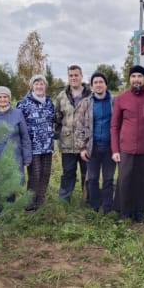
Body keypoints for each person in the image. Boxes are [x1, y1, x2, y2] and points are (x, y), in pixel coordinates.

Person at [111, 65, 144, 223]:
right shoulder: (121, 98)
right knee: (125, 180)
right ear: (129, 79)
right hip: (125, 147)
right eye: (133, 77)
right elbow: (114, 126)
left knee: (142, 181)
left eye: (140, 76)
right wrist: (115, 149)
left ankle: (140, 212)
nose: (136, 79)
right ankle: (124, 212)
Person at [76, 72, 115, 214]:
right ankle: (94, 206)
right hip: (92, 147)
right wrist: (82, 147)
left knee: (109, 179)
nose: (98, 85)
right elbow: (79, 126)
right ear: (92, 86)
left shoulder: (114, 101)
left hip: (110, 147)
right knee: (92, 178)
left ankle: (107, 207)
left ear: (106, 84)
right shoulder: (86, 103)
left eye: (101, 82)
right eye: (95, 83)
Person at [17, 75, 55, 211]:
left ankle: (40, 202)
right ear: (32, 86)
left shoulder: (50, 102)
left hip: (47, 146)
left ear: (45, 86)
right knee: (35, 175)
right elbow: (19, 126)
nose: (39, 86)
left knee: (45, 174)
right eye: (36, 84)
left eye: (42, 84)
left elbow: (52, 120)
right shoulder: (23, 103)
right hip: (32, 147)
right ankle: (29, 205)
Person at [55, 65, 91, 203]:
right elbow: (57, 118)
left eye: (76, 75)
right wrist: (59, 137)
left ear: (81, 76)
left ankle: (88, 200)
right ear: (68, 77)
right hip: (67, 143)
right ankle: (64, 200)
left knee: (87, 173)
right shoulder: (61, 96)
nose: (73, 78)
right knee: (68, 173)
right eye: (71, 75)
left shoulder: (90, 95)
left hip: (86, 143)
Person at [0, 86, 32, 184]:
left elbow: (25, 137)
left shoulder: (17, 113)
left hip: (14, 156)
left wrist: (27, 157)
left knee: (11, 188)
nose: (3, 99)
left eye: (5, 97)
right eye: (0, 97)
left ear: (9, 98)